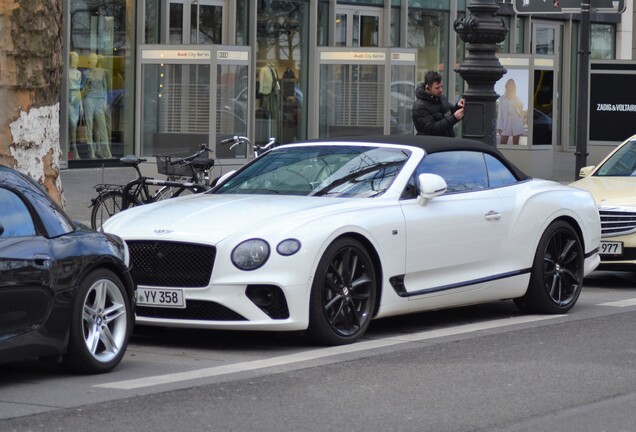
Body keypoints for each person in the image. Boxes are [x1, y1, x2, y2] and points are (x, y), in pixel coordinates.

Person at [412, 71, 464, 137]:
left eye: (441, 86)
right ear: (427, 88)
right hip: (432, 144)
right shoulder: (419, 106)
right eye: (437, 88)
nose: (441, 90)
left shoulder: (441, 98)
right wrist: (454, 118)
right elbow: (432, 129)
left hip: (447, 142)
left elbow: (449, 112)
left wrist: (458, 106)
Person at [82, 53, 112, 159]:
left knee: (102, 127)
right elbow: (82, 89)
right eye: (91, 60)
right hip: (89, 99)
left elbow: (105, 88)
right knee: (89, 127)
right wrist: (87, 83)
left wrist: (105, 102)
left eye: (95, 60)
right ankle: (92, 153)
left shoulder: (102, 72)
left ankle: (107, 153)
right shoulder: (85, 73)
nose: (93, 62)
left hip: (99, 101)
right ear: (89, 61)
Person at [497, 78, 526, 145]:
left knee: (516, 144)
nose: (510, 85)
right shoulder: (502, 98)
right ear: (506, 86)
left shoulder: (517, 98)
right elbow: (500, 113)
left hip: (516, 121)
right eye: (509, 83)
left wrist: (522, 120)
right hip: (506, 123)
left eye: (512, 84)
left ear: (514, 86)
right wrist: (499, 127)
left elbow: (521, 111)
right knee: (503, 143)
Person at [68, 51, 83, 159]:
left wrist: (81, 105)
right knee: (71, 125)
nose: (76, 61)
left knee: (74, 126)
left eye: (77, 59)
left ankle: (70, 148)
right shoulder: (67, 72)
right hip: (69, 98)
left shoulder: (79, 73)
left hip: (77, 98)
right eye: (74, 59)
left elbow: (79, 89)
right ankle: (73, 148)